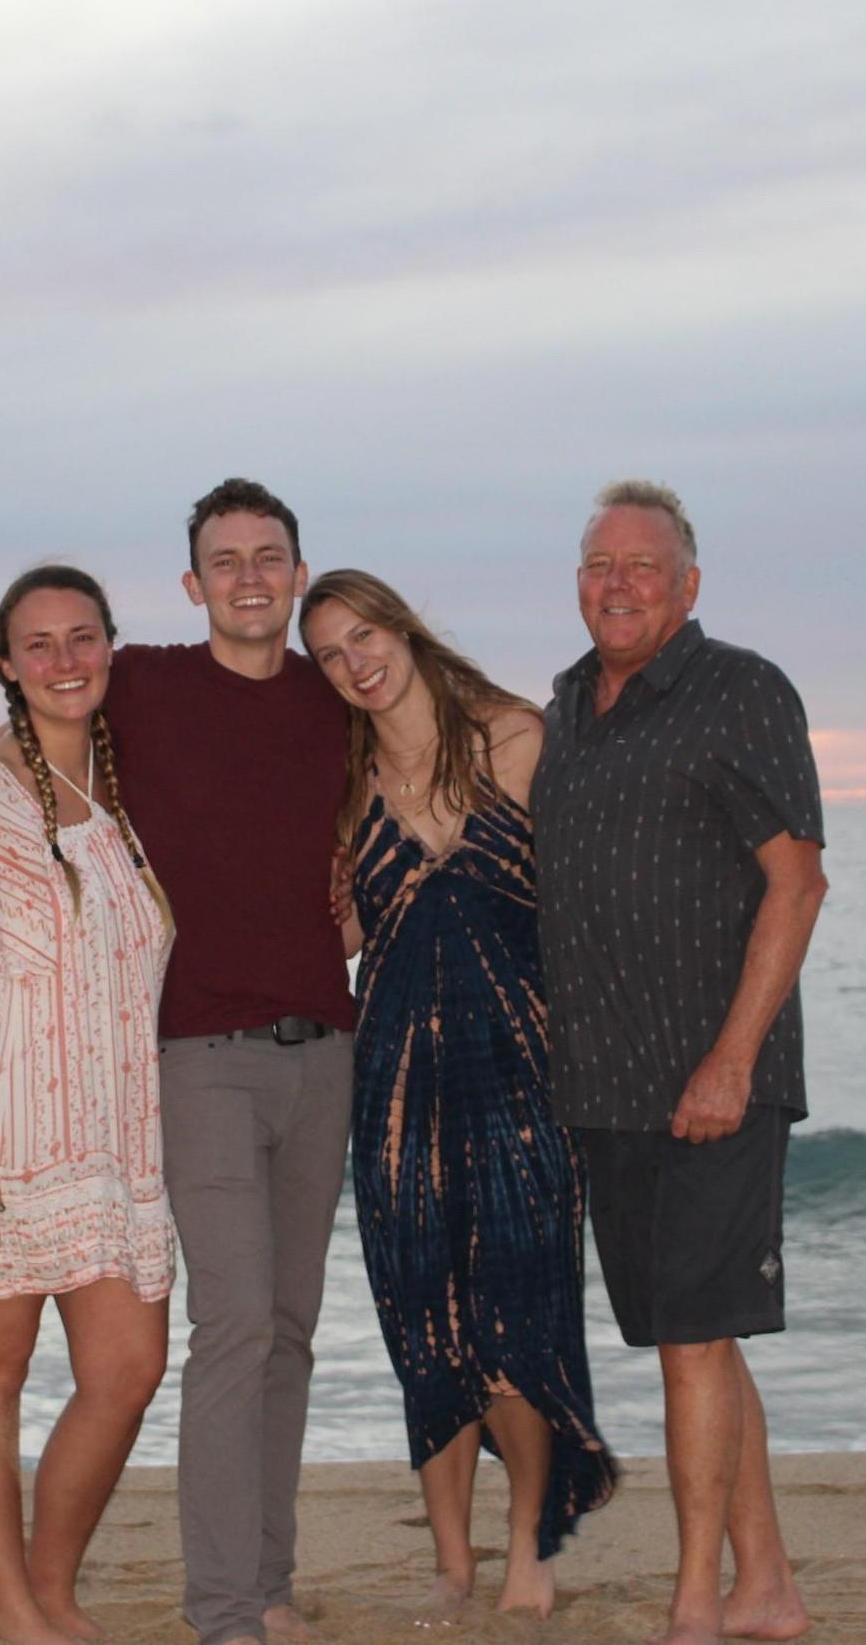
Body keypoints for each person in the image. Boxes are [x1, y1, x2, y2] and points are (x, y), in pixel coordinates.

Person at [0, 481, 354, 1645]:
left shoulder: (286, 710)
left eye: (269, 556)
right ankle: (84, 1607)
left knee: (170, 1357)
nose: (65, 659)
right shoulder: (59, 741)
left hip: (141, 1115)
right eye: (223, 558)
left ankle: (91, 1587)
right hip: (54, 1110)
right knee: (42, 1361)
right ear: (190, 582)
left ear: (297, 573)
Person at [531, 481, 827, 1645]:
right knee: (690, 1337)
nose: (614, 582)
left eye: (640, 566)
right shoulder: (564, 707)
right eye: (597, 562)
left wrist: (731, 1059)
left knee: (696, 1344)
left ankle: (695, 1603)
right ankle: (769, 1586)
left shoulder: (737, 689)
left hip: (713, 1082)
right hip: (605, 1086)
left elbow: (795, 882)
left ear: (687, 585)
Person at [299, 569, 616, 1623]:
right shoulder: (340, 789)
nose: (356, 661)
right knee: (422, 1322)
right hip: (393, 1084)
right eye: (332, 653)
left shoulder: (515, 739)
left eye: (365, 633)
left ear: (401, 624)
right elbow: (340, 943)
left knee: (518, 1318)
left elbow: (586, 907)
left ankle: (530, 1542)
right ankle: (450, 1557)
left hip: (521, 1072)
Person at [0, 564, 175, 1645]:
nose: (64, 660)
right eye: (39, 643)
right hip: (1, 1133)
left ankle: (54, 1586)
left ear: (110, 644)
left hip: (111, 1134)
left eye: (81, 637)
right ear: (6, 665)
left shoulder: (122, 786)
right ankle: (16, 1610)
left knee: (126, 1368)